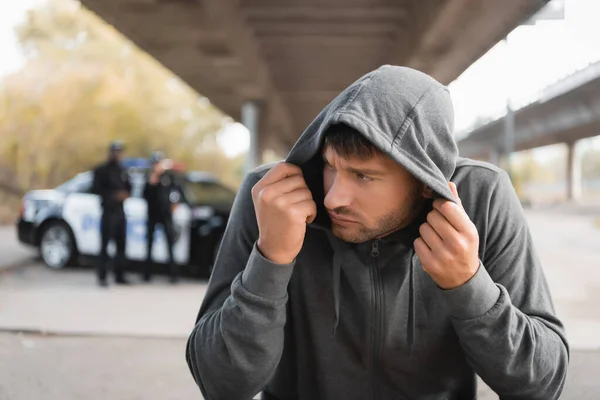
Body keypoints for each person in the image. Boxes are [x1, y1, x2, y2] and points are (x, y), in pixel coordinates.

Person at [186, 66, 569, 399]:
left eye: (363, 176)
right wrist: (270, 258)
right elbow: (221, 385)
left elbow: (540, 384)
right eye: (331, 167)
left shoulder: (481, 198)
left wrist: (469, 286)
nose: (334, 198)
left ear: (423, 180)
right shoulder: (272, 198)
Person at [91, 141, 132, 287]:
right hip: (108, 211)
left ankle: (119, 275)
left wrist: (125, 194)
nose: (118, 154)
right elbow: (95, 189)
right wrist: (113, 196)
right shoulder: (102, 170)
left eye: (120, 152)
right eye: (116, 151)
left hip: (121, 211)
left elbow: (129, 188)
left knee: (121, 245)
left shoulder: (123, 170)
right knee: (105, 245)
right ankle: (102, 277)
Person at [142, 151, 180, 283]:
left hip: (165, 215)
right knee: (149, 244)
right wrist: (154, 177)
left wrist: (175, 203)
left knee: (169, 244)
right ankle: (147, 273)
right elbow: (145, 194)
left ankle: (173, 274)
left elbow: (176, 192)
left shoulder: (168, 177)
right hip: (152, 214)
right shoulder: (150, 177)